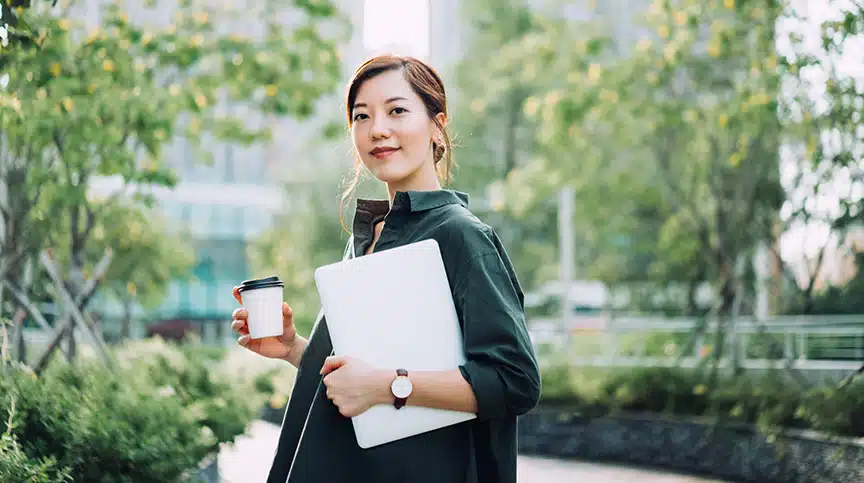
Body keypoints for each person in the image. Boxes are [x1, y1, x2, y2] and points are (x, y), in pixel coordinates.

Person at [230, 55, 541, 483]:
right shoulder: (368, 236)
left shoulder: (462, 236)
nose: (377, 128)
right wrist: (294, 349)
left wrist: (387, 386)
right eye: (362, 116)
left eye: (397, 110)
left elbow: (515, 380)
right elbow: (358, 375)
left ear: (437, 125)